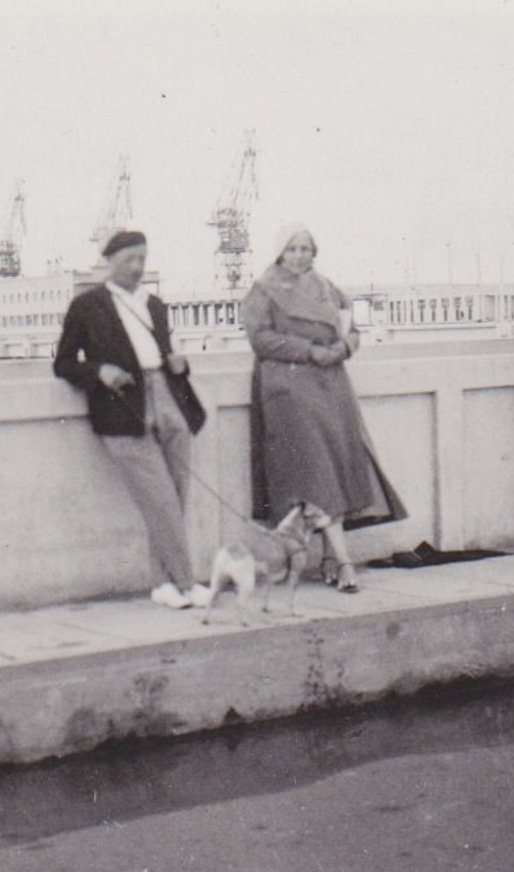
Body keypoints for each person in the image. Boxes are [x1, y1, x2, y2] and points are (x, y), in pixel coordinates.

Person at [241, 224, 405, 593]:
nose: (300, 256)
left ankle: (331, 557)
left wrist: (343, 348)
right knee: (318, 471)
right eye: (292, 249)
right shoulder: (264, 288)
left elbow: (352, 328)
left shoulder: (327, 287)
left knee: (338, 466)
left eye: (306, 249)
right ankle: (344, 562)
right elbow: (260, 338)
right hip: (289, 388)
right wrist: (309, 351)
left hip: (331, 386)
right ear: (279, 253)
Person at [54, 230, 212, 609]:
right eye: (129, 260)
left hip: (169, 398)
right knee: (161, 501)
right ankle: (187, 583)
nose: (138, 267)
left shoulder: (154, 305)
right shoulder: (87, 305)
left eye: (142, 259)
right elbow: (63, 364)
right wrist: (100, 372)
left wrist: (179, 362)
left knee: (176, 495)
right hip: (123, 408)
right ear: (109, 262)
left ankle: (164, 585)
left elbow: (165, 352)